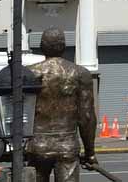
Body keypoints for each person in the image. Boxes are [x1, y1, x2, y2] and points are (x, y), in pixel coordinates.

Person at [25, 27, 99, 182]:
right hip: (67, 144)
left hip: (37, 144)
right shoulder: (80, 73)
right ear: (64, 47)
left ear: (41, 47)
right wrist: (90, 152)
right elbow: (86, 117)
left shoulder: (30, 73)